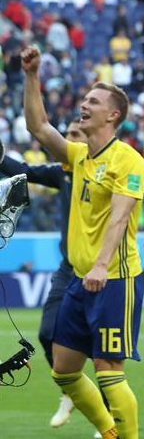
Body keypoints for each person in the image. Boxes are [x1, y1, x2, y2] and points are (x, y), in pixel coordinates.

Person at [23, 45, 144, 439]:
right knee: (64, 370)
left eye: (93, 101)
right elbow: (39, 127)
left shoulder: (128, 160)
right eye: (85, 99)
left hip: (113, 279)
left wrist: (100, 265)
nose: (84, 105)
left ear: (113, 115)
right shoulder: (78, 156)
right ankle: (110, 432)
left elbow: (120, 216)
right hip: (80, 279)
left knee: (108, 369)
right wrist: (31, 76)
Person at [0, 122, 92, 430]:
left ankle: (110, 420)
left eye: (76, 135)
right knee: (47, 333)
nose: (68, 141)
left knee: (103, 353)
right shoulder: (62, 172)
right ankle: (70, 391)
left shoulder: (107, 172)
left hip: (104, 268)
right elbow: (24, 171)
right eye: (68, 135)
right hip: (69, 267)